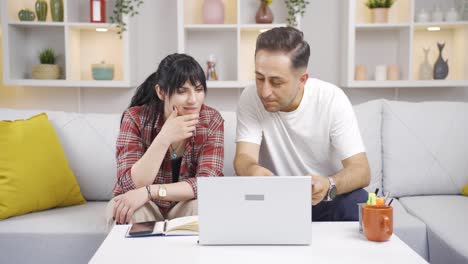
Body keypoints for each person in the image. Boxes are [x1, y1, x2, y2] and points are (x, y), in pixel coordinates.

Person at [234, 27, 370, 221]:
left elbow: (361, 170)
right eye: (259, 78)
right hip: (273, 199)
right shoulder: (250, 97)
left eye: (276, 82)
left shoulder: (332, 99)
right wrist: (253, 171)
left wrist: (329, 184)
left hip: (322, 199)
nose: (264, 92)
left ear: (302, 80)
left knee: (358, 200)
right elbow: (244, 158)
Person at [106, 53, 224, 228]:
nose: (193, 100)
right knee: (128, 210)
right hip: (144, 205)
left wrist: (150, 192)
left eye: (198, 90)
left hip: (184, 204)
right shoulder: (135, 118)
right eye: (182, 91)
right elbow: (129, 184)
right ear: (161, 92)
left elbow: (207, 184)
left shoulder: (211, 120)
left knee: (203, 207)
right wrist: (164, 137)